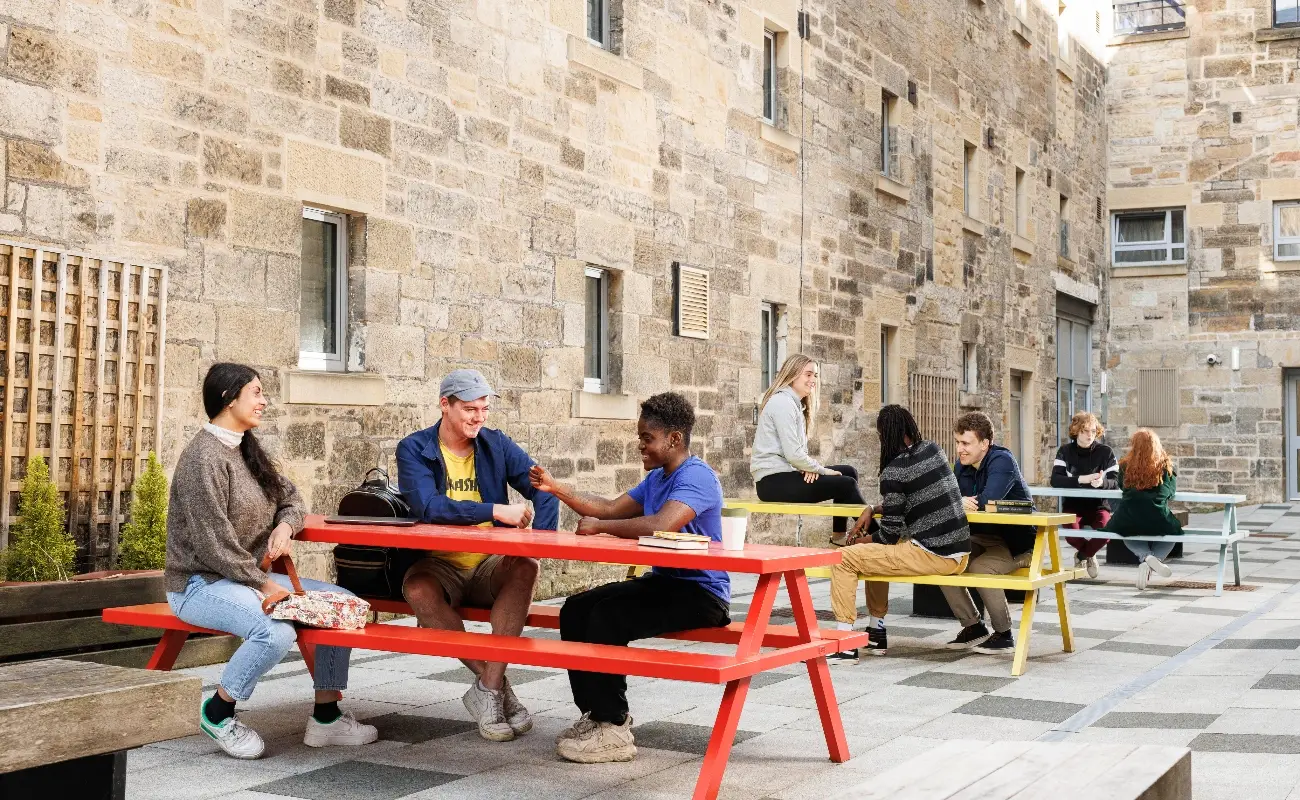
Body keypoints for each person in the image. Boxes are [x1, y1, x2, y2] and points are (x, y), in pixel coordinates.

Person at [165, 363, 379, 760]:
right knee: (275, 632)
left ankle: (327, 718)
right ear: (229, 399)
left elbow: (292, 497)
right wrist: (264, 585)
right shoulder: (202, 459)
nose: (264, 401)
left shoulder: (247, 448)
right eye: (257, 393)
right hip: (201, 585)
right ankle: (217, 712)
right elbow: (214, 545)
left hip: (248, 578)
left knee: (341, 606)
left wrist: (285, 527)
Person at [527, 392, 730, 764]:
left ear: (674, 439)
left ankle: (614, 727)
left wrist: (602, 528)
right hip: (665, 582)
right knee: (576, 608)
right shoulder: (656, 479)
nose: (640, 446)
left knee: (608, 618)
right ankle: (597, 717)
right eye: (640, 438)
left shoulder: (697, 476)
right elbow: (605, 506)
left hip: (701, 592)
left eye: (646, 439)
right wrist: (557, 488)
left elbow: (660, 524)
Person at [394, 369, 559, 742]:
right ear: (444, 406)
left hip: (488, 561)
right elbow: (428, 506)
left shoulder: (495, 443)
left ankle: (488, 688)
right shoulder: (414, 448)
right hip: (436, 563)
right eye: (469, 409)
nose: (478, 417)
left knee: (526, 567)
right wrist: (495, 511)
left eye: (483, 409)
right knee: (418, 590)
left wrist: (542, 541)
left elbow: (543, 488)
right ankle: (498, 687)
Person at [829, 405, 971, 663]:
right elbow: (910, 499)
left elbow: (889, 536)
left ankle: (844, 645)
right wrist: (872, 508)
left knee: (845, 558)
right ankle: (876, 631)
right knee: (871, 556)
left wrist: (856, 541)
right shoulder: (933, 450)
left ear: (885, 435)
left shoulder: (895, 470)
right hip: (960, 553)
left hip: (933, 553)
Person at [941, 411, 1036, 654]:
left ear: (985, 444)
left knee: (981, 568)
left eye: (966, 443)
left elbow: (988, 500)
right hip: (983, 537)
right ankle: (973, 626)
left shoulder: (1002, 460)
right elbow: (948, 498)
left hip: (1018, 543)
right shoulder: (961, 466)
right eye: (958, 442)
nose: (960, 449)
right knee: (946, 561)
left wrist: (959, 500)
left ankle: (1004, 634)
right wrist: (958, 500)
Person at [751, 354, 865, 546]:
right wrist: (819, 469)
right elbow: (794, 455)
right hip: (772, 483)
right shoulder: (783, 403)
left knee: (848, 472)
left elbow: (795, 454)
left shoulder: (794, 404)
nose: (813, 380)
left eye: (815, 376)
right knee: (845, 483)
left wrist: (807, 467)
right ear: (793, 374)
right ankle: (880, 540)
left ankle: (839, 538)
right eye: (808, 374)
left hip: (784, 475)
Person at [1105, 429, 1181, 590]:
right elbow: (1171, 492)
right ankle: (1155, 559)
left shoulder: (1125, 465)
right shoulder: (1165, 465)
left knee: (1125, 531)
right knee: (1173, 532)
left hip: (1130, 515)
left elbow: (1121, 485)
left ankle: (1146, 557)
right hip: (1157, 516)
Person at [1050, 411, 1119, 578]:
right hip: (1073, 505)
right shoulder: (1065, 451)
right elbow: (1055, 479)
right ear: (1076, 431)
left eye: (1093, 431)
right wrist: (1081, 479)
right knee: (1070, 531)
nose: (1090, 435)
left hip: (1099, 504)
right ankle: (1089, 553)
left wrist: (1102, 483)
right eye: (1085, 431)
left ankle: (1082, 555)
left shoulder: (1106, 452)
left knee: (1106, 530)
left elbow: (1116, 481)